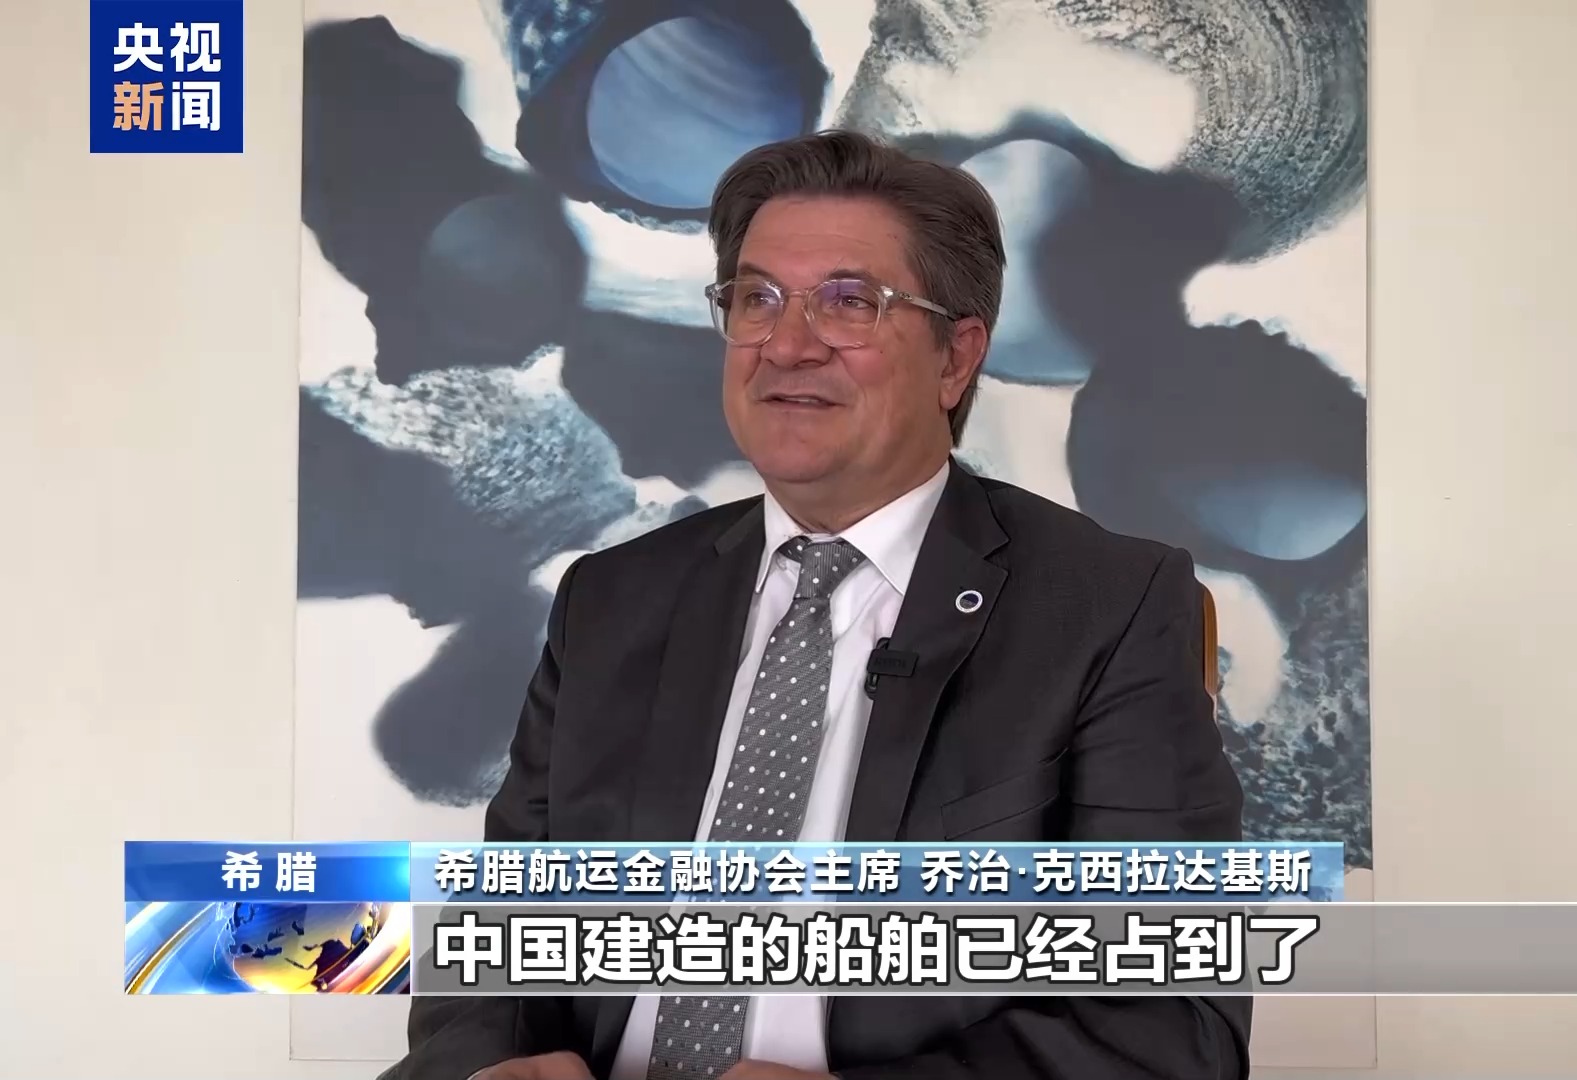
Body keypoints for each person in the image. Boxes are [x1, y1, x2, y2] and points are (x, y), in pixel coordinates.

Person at [395, 129, 1250, 1080]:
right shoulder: (612, 598)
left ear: (956, 357)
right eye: (756, 299)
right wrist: (484, 1068)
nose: (788, 345)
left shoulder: (1108, 608)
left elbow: (1175, 1024)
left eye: (850, 303)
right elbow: (491, 944)